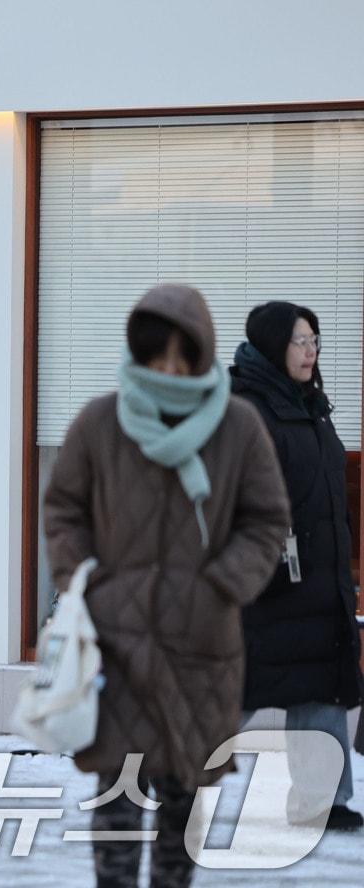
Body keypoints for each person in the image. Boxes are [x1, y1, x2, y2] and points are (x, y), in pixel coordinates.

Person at [43, 283, 290, 888]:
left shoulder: (238, 426)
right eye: (159, 354)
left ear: (204, 356)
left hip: (199, 645)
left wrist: (221, 587)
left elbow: (267, 520)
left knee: (183, 798)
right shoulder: (102, 422)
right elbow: (63, 510)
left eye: (185, 356)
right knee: (119, 800)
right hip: (115, 643)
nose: (170, 369)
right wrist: (85, 582)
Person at [230, 301, 364, 831]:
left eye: (314, 341)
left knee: (320, 688)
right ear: (271, 346)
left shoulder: (311, 404)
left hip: (319, 578)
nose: (310, 352)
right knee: (234, 687)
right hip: (267, 581)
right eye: (299, 342)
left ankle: (321, 803)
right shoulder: (243, 409)